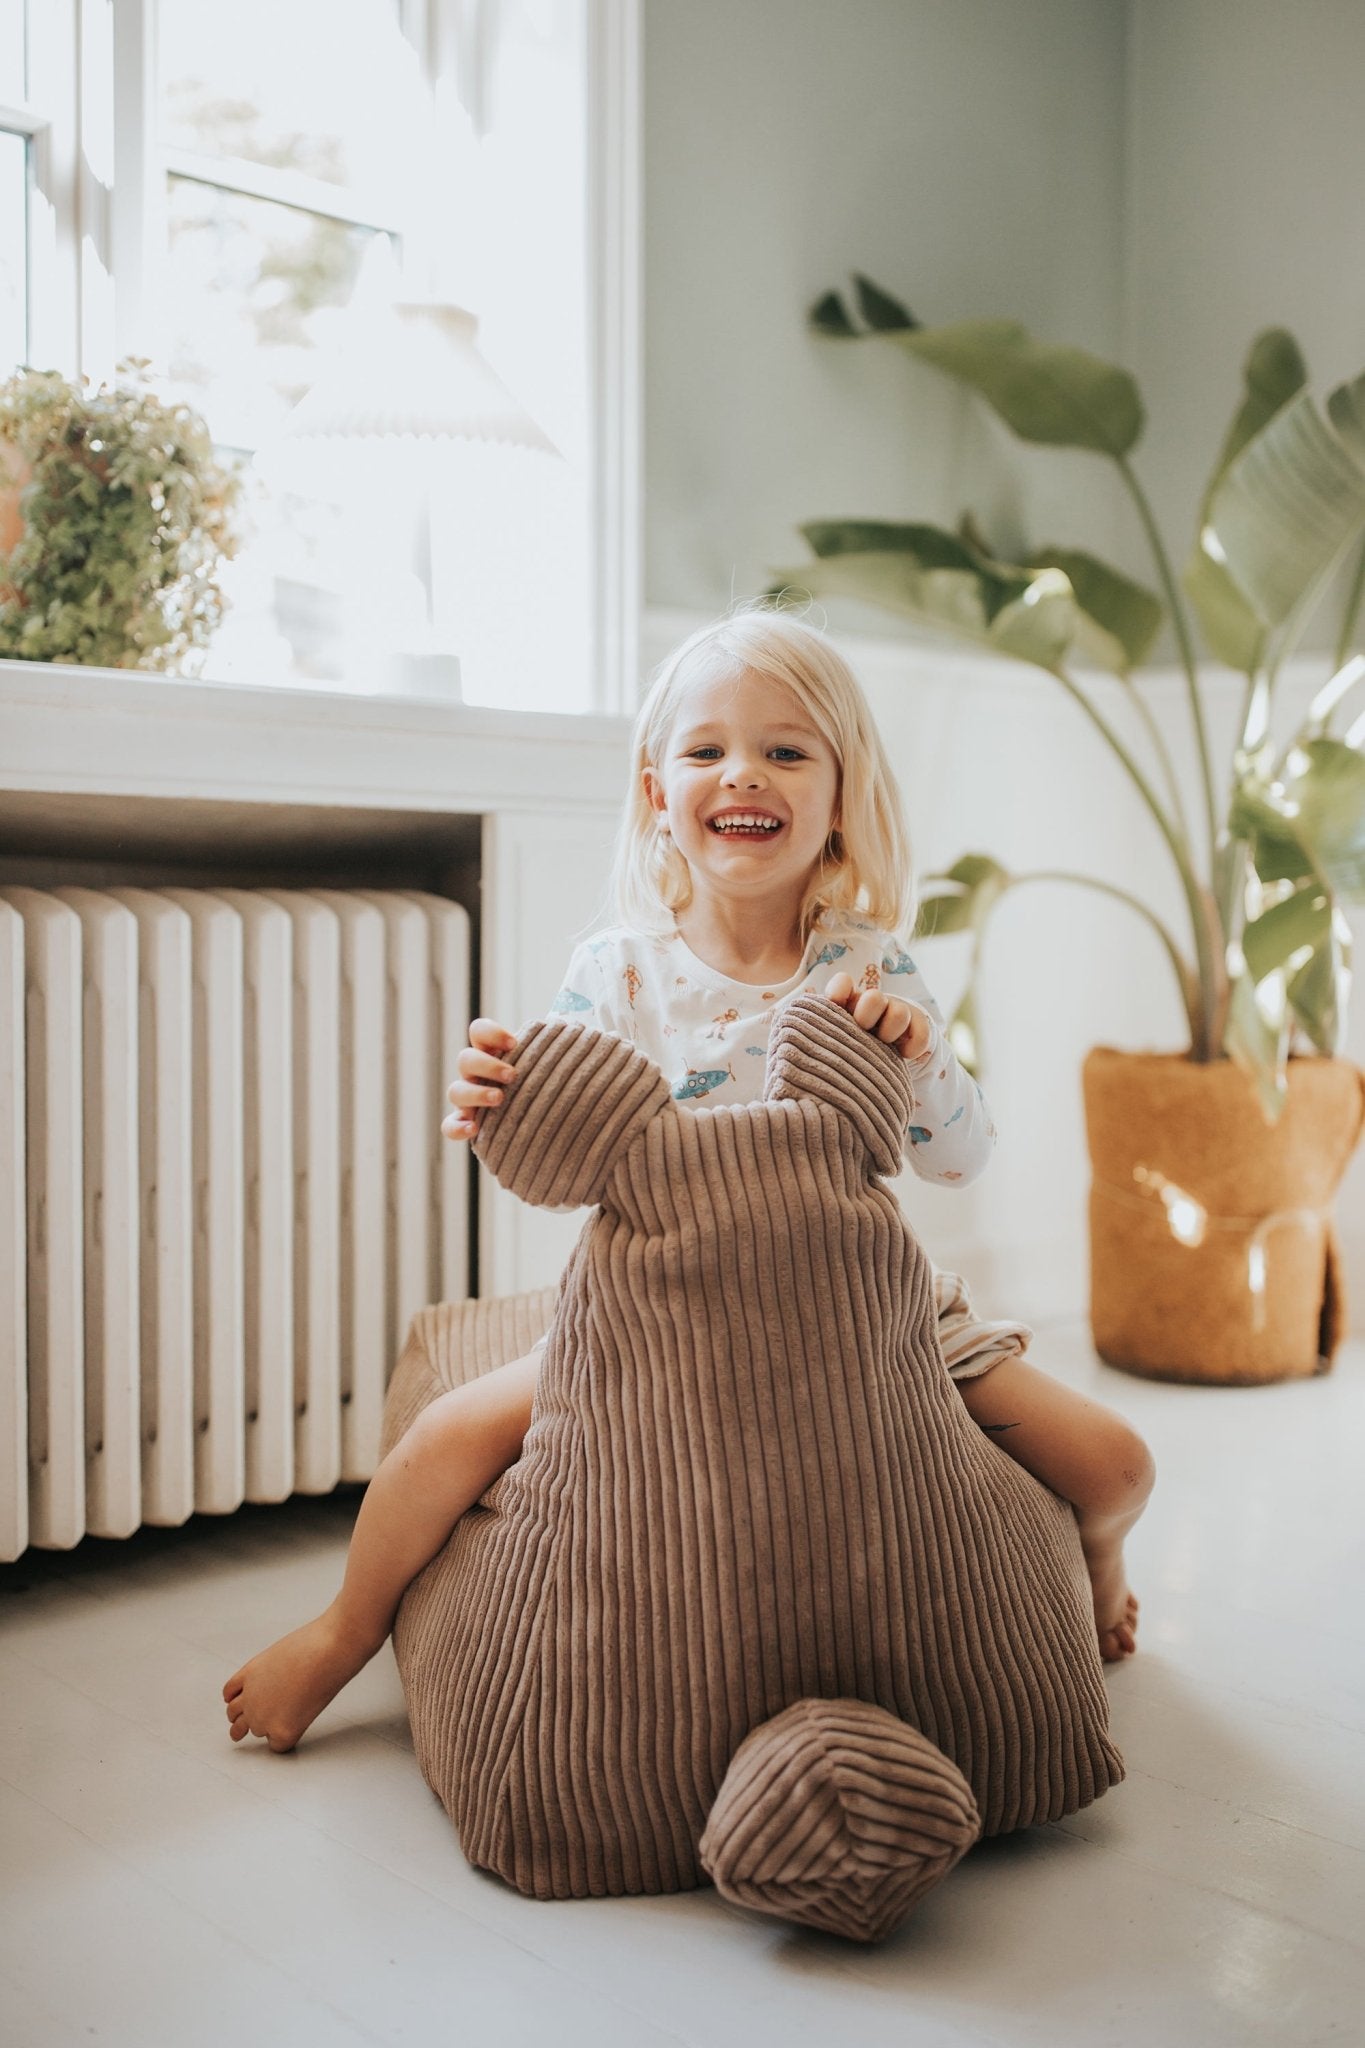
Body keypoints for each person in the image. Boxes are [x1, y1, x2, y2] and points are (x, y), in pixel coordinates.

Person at [223, 604, 1155, 1754]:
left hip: (868, 1310)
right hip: (650, 1309)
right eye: (706, 749)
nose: (742, 773)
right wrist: (491, 1093)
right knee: (442, 1440)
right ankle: (340, 1631)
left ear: (838, 791)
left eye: (784, 748)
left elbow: (960, 1159)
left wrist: (924, 1055)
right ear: (659, 792)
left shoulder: (871, 962)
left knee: (1117, 1460)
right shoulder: (616, 970)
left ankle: (1098, 1566)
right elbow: (547, 1153)